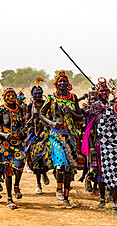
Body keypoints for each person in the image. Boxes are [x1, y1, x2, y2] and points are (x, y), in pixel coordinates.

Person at [40, 71, 82, 208]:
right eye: (60, 81)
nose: (62, 83)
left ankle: (66, 197)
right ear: (56, 83)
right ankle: (59, 189)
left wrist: (71, 113)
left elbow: (80, 117)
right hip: (56, 135)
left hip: (69, 135)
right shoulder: (52, 98)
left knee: (69, 168)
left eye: (65, 81)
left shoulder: (73, 98)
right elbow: (41, 114)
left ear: (68, 83)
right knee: (60, 165)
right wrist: (51, 123)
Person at [0, 88, 26, 209]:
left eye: (13, 95)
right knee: (8, 170)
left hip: (18, 143)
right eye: (9, 96)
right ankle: (9, 199)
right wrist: (4, 135)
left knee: (20, 165)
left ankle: (16, 186)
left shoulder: (19, 109)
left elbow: (24, 124)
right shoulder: (1, 109)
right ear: (4, 97)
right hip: (5, 144)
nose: (11, 98)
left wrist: (24, 132)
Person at [25, 83, 50, 194]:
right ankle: (38, 184)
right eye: (35, 93)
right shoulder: (30, 106)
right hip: (34, 135)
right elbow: (26, 120)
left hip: (45, 134)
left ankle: (45, 173)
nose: (38, 95)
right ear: (32, 95)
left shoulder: (47, 104)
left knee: (47, 156)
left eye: (39, 93)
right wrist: (32, 119)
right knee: (36, 159)